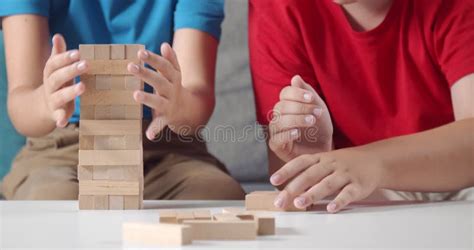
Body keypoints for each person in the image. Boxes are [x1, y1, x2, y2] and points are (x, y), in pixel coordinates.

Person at [0, 0, 245, 200]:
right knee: (53, 201)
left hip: (167, 145)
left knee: (216, 194)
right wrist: (45, 104)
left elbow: (196, 97)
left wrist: (179, 106)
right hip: (64, 145)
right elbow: (22, 101)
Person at [249, 0, 474, 213]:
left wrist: (371, 162)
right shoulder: (278, 6)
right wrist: (315, 159)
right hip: (361, 187)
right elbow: (286, 174)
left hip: (461, 179)